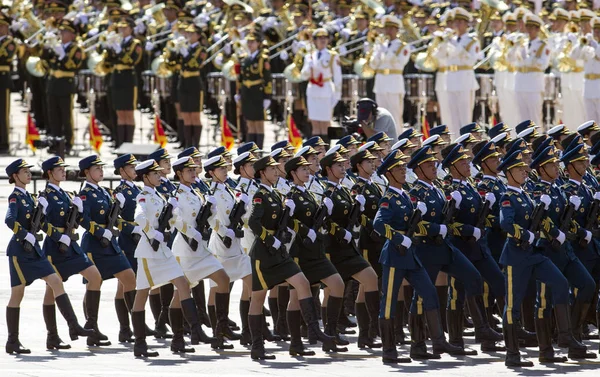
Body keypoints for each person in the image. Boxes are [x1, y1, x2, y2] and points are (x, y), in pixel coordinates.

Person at [497, 150, 587, 367]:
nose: (525, 171)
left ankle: (563, 335)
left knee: (560, 282)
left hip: (534, 254)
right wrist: (524, 233)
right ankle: (512, 354)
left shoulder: (525, 193)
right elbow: (506, 224)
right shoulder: (508, 197)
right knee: (512, 306)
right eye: (520, 169)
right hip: (516, 256)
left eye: (524, 168)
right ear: (509, 173)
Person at [373, 150, 462, 364]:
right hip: (395, 254)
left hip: (411, 254)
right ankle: (389, 350)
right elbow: (378, 224)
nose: (403, 171)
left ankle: (431, 342)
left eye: (404, 168)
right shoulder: (389, 198)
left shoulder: (406, 196)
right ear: (389, 173)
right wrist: (397, 238)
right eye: (398, 169)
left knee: (429, 293)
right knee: (389, 302)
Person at [407, 146, 496, 358]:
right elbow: (412, 225)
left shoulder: (437, 188)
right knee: (421, 298)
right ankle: (419, 344)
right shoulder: (415, 193)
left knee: (473, 277)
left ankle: (481, 327)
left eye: (434, 163)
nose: (434, 167)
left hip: (445, 247)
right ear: (419, 170)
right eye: (429, 165)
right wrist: (436, 228)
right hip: (426, 249)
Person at [247, 155, 335, 359]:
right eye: (272, 170)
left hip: (280, 253)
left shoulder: (276, 193)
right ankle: (257, 346)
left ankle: (310, 332)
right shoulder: (260, 195)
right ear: (262, 173)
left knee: (302, 283)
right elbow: (253, 223)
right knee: (258, 299)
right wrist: (271, 240)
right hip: (263, 255)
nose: (276, 172)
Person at [4, 159, 94, 354]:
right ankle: (12, 341)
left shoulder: (30, 197)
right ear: (14, 176)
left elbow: (40, 222)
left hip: (35, 250)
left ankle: (73, 325)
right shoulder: (15, 197)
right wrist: (24, 234)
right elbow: (9, 219)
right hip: (19, 251)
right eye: (24, 172)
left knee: (56, 282)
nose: (29, 174)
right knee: (17, 295)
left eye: (29, 171)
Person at [130, 159, 215, 358]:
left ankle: (184, 336)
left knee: (183, 285)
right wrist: (152, 233)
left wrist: (190, 232)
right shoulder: (143, 196)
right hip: (148, 252)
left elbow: (174, 220)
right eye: (155, 174)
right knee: (141, 294)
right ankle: (140, 344)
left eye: (159, 174)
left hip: (164, 252)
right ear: (145, 177)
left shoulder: (160, 196)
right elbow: (140, 218)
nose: (159, 177)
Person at [530, 146, 596, 361]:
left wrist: (578, 231)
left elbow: (569, 220)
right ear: (541, 168)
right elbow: (540, 219)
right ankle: (545, 350)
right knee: (544, 300)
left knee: (587, 285)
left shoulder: (558, 189)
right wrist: (554, 232)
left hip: (566, 249)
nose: (556, 167)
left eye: (556, 163)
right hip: (547, 250)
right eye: (551, 165)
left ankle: (573, 334)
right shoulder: (538, 191)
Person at [440, 144, 505, 352]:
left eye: (467, 161)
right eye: (462, 162)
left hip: (479, 247)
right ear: (451, 166)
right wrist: (468, 230)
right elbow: (447, 224)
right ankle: (457, 340)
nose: (467, 164)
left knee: (499, 281)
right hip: (459, 247)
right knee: (457, 293)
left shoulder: (470, 185)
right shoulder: (448, 189)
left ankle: (492, 332)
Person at [171, 156, 235, 351]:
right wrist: (192, 233)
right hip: (185, 249)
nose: (193, 172)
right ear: (179, 174)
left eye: (194, 169)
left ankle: (219, 331)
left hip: (201, 249)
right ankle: (180, 337)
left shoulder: (198, 192)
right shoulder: (177, 195)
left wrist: (223, 229)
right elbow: (175, 221)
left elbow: (208, 219)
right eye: (189, 170)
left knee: (223, 279)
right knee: (180, 293)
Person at [319, 148, 381, 350]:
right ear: (328, 169)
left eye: (344, 164)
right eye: (338, 165)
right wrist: (339, 231)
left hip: (348, 248)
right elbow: (323, 222)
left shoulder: (344, 190)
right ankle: (331, 333)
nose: (343, 168)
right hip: (332, 247)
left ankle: (369, 332)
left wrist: (358, 209)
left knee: (370, 278)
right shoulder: (326, 193)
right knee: (332, 291)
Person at [284, 156, 347, 354]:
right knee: (295, 298)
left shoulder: (309, 192)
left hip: (316, 250)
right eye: (302, 169)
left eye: (307, 168)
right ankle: (296, 343)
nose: (307, 171)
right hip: (299, 251)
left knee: (338, 284)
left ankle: (329, 333)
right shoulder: (290, 194)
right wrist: (304, 230)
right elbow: (288, 220)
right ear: (293, 173)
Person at [40, 156, 103, 348]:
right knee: (52, 291)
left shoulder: (67, 194)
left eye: (63, 168)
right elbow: (41, 222)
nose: (63, 171)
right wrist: (59, 237)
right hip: (55, 247)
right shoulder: (45, 195)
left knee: (95, 277)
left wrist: (79, 211)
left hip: (72, 246)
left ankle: (90, 325)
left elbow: (75, 220)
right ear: (50, 173)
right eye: (59, 169)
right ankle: (53, 335)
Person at [77, 155, 138, 347]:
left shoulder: (104, 191)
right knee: (94, 285)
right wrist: (100, 231)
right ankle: (92, 329)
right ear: (87, 172)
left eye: (102, 168)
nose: (101, 171)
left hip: (110, 243)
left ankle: (131, 327)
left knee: (129, 278)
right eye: (97, 169)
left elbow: (114, 217)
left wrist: (129, 228)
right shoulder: (85, 194)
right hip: (94, 244)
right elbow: (83, 219)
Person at [204, 155, 254, 344]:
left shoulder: (230, 189)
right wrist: (225, 231)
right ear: (211, 173)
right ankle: (220, 330)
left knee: (252, 284)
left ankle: (248, 330)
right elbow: (211, 219)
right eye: (220, 169)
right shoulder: (212, 193)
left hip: (236, 246)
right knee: (218, 289)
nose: (225, 171)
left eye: (226, 168)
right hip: (221, 246)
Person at [43, 18, 84, 154]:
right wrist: (46, 49)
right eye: (61, 31)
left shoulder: (76, 49)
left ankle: (68, 142)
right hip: (53, 83)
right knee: (53, 115)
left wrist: (63, 56)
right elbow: (45, 62)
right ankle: (55, 141)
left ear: (72, 35)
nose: (62, 34)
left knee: (66, 115)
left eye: (65, 32)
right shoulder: (56, 46)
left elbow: (74, 66)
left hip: (66, 84)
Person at [104, 17, 143, 146]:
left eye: (124, 28)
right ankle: (120, 143)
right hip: (116, 78)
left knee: (129, 112)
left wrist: (119, 50)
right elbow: (108, 61)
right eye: (120, 27)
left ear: (131, 29)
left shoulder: (135, 43)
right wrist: (109, 48)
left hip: (128, 78)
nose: (121, 30)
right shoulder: (117, 41)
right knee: (120, 112)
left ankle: (129, 144)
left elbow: (132, 61)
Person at [369, 15, 410, 133]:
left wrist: (386, 52)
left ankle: (397, 142)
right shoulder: (380, 45)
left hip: (394, 83)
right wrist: (378, 52)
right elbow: (373, 65)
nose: (388, 31)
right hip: (381, 83)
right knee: (381, 116)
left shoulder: (402, 46)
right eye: (386, 28)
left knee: (395, 116)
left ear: (397, 30)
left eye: (391, 28)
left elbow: (400, 63)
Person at [509, 13, 551, 128]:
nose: (529, 30)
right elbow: (510, 59)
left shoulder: (543, 46)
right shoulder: (522, 44)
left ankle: (537, 144)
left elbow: (544, 64)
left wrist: (530, 60)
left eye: (532, 28)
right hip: (520, 83)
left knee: (535, 117)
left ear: (538, 29)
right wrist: (513, 48)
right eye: (528, 27)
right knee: (522, 118)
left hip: (534, 85)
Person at [301, 28, 342, 142]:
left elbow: (338, 77)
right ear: (314, 41)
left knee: (325, 123)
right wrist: (307, 68)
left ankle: (326, 151)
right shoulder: (309, 56)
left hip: (326, 90)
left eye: (325, 38)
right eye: (319, 38)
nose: (322, 40)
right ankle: (316, 151)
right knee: (315, 123)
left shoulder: (333, 55)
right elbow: (303, 76)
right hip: (313, 91)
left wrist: (337, 95)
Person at [235, 31, 272, 149]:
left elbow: (267, 79)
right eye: (249, 42)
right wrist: (239, 93)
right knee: (250, 122)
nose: (250, 44)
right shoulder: (244, 58)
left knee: (259, 123)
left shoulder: (262, 59)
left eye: (253, 42)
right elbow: (241, 78)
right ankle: (251, 149)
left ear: (258, 44)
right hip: (247, 92)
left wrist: (267, 97)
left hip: (258, 93)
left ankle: (259, 148)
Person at [177, 24, 207, 148]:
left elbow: (196, 64)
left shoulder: (201, 49)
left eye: (192, 34)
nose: (188, 36)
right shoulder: (185, 47)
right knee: (185, 115)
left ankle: (196, 145)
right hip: (183, 82)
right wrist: (176, 51)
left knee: (195, 115)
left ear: (198, 36)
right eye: (187, 33)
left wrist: (186, 54)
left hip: (194, 82)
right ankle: (188, 145)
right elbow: (173, 63)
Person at [0, 13, 15, 154]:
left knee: (3, 113)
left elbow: (4, 56)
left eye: (2, 26)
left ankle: (4, 142)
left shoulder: (9, 43)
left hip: (2, 79)